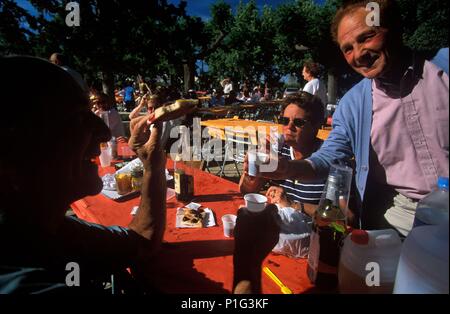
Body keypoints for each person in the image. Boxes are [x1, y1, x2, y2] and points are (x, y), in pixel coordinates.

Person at [0, 56, 277, 294]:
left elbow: (141, 242)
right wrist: (247, 264)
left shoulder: (44, 229)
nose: (105, 132)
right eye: (78, 119)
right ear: (12, 157)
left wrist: (153, 167)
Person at [259, 0, 449, 236]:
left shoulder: (442, 69)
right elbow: (329, 157)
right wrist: (286, 168)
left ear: (394, 28)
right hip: (401, 214)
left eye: (367, 37)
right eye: (348, 48)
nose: (359, 54)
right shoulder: (353, 103)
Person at [239, 92, 326, 217]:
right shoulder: (278, 149)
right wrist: (252, 170)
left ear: (316, 126)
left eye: (299, 122)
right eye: (284, 121)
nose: (289, 127)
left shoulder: (328, 157)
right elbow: (246, 190)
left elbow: (346, 215)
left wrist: (292, 205)